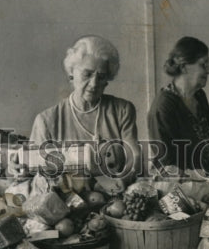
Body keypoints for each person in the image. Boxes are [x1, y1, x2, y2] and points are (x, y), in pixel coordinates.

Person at [29, 35, 140, 182]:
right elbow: (34, 170)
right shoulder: (47, 121)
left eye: (101, 77)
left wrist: (118, 184)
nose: (94, 84)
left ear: (107, 80)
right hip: (66, 200)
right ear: (71, 73)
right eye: (87, 74)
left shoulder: (122, 111)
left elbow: (134, 157)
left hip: (116, 197)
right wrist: (16, 168)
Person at [147, 37, 209, 175]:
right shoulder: (163, 106)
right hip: (181, 187)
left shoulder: (199, 96)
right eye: (203, 64)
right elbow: (167, 165)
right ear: (184, 67)